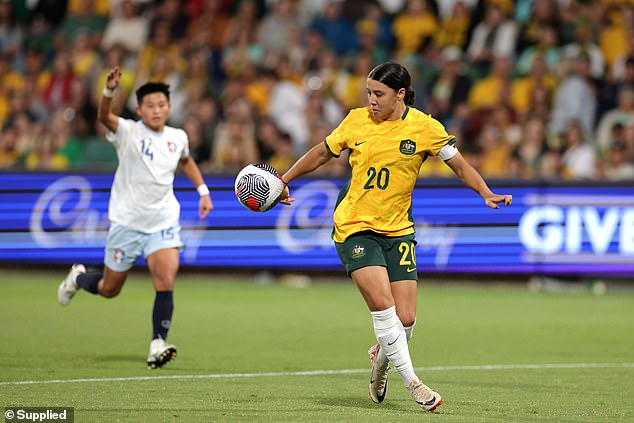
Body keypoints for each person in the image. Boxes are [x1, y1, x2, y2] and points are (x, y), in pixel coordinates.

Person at [278, 62, 512, 412]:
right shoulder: (356, 120)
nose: (371, 100)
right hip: (355, 226)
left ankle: (382, 358)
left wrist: (485, 192)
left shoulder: (425, 128)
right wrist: (284, 179)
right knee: (383, 307)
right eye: (369, 93)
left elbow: (459, 164)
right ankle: (414, 383)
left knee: (405, 320)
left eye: (379, 94)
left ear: (400, 94)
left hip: (399, 229)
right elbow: (322, 152)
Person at [57, 67, 213, 369]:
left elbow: (187, 161)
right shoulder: (127, 131)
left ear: (169, 107)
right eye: (150, 106)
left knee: (165, 279)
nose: (157, 110)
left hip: (163, 221)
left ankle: (158, 343)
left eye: (162, 105)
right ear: (140, 109)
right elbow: (104, 117)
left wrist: (203, 191)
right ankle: (78, 277)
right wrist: (109, 91)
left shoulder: (177, 137)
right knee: (109, 289)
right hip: (127, 223)